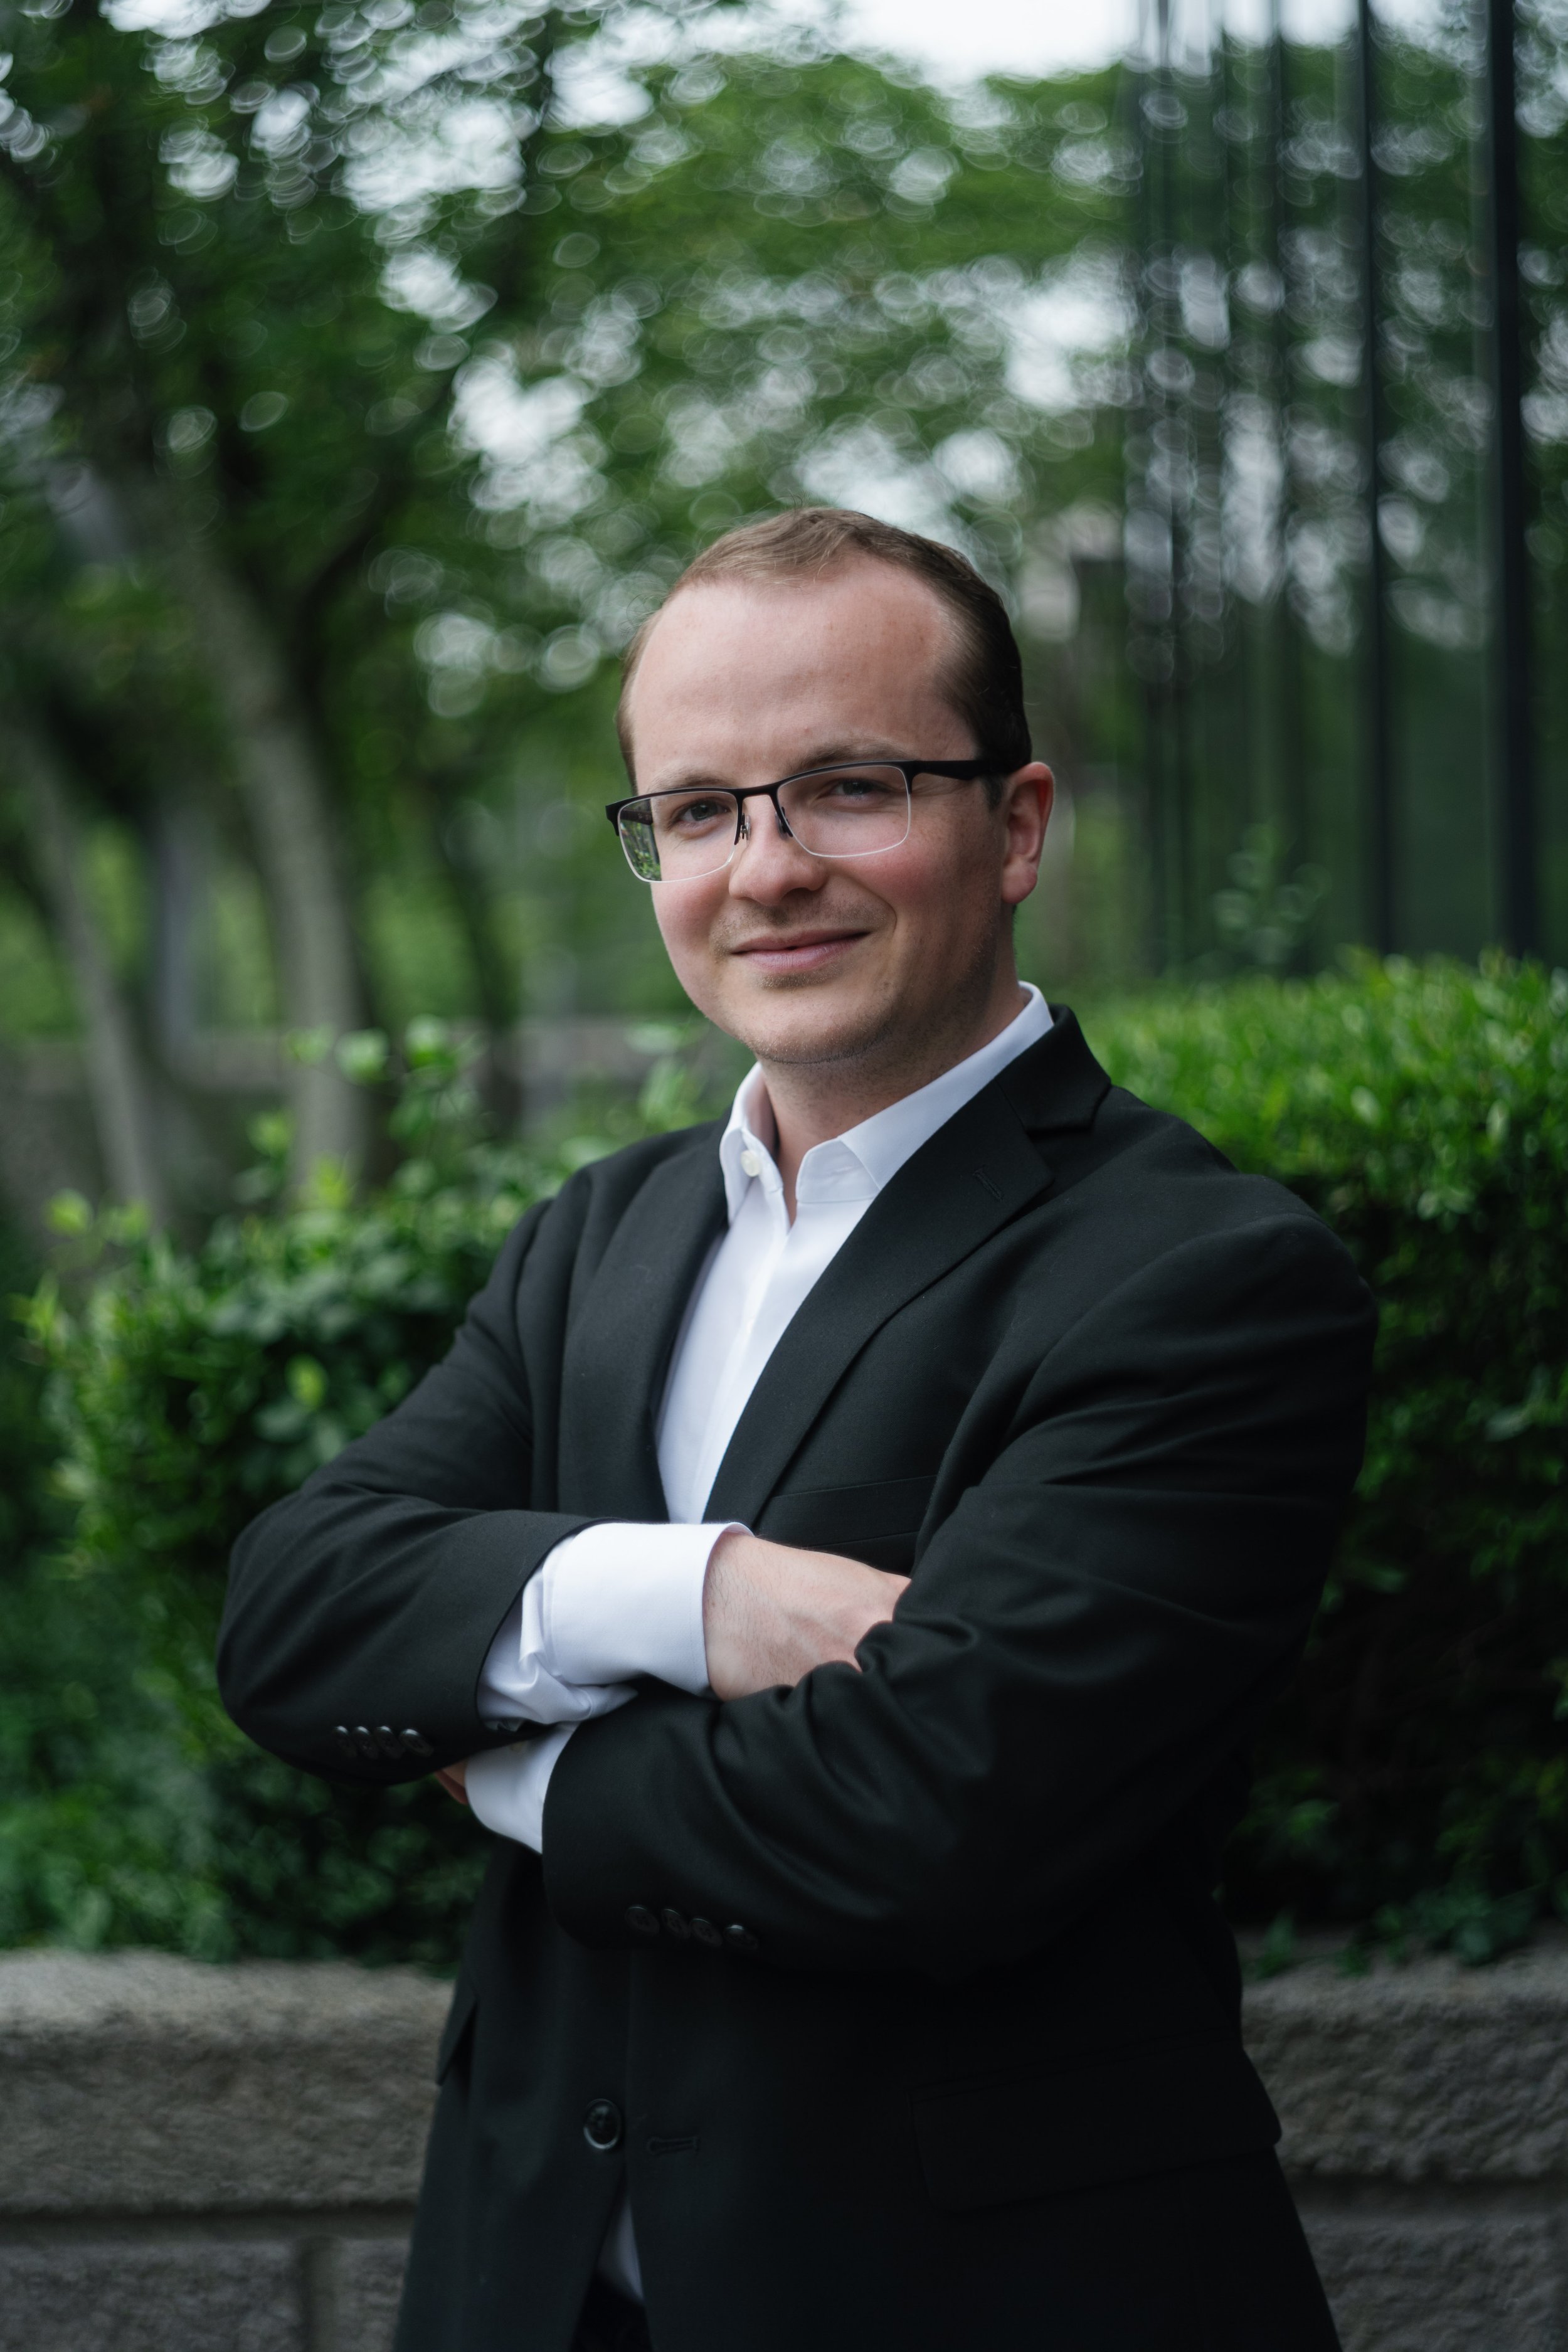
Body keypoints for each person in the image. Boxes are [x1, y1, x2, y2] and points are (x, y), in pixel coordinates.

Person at [218, 506, 1374, 2352]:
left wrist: (501, 1764)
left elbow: (936, 1817)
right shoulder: (596, 1236)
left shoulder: (1202, 1275)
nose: (765, 870)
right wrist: (703, 1598)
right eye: (697, 809)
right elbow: (294, 1614)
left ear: (1015, 824)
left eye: (848, 787)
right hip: (529, 2299)